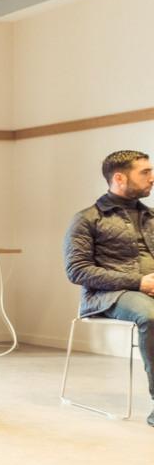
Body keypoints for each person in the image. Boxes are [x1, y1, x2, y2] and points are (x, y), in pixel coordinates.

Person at [64, 149, 154, 426]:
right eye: (145, 172)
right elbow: (77, 270)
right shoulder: (87, 218)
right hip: (108, 296)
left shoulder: (151, 216)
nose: (152, 178)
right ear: (119, 178)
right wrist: (137, 282)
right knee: (151, 317)